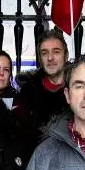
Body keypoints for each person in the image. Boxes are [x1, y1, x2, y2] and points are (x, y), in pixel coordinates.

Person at [12, 28, 71, 159]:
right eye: (44, 53)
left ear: (66, 55)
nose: (50, 58)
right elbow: (18, 135)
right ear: (40, 58)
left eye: (56, 52)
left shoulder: (79, 88)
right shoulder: (28, 91)